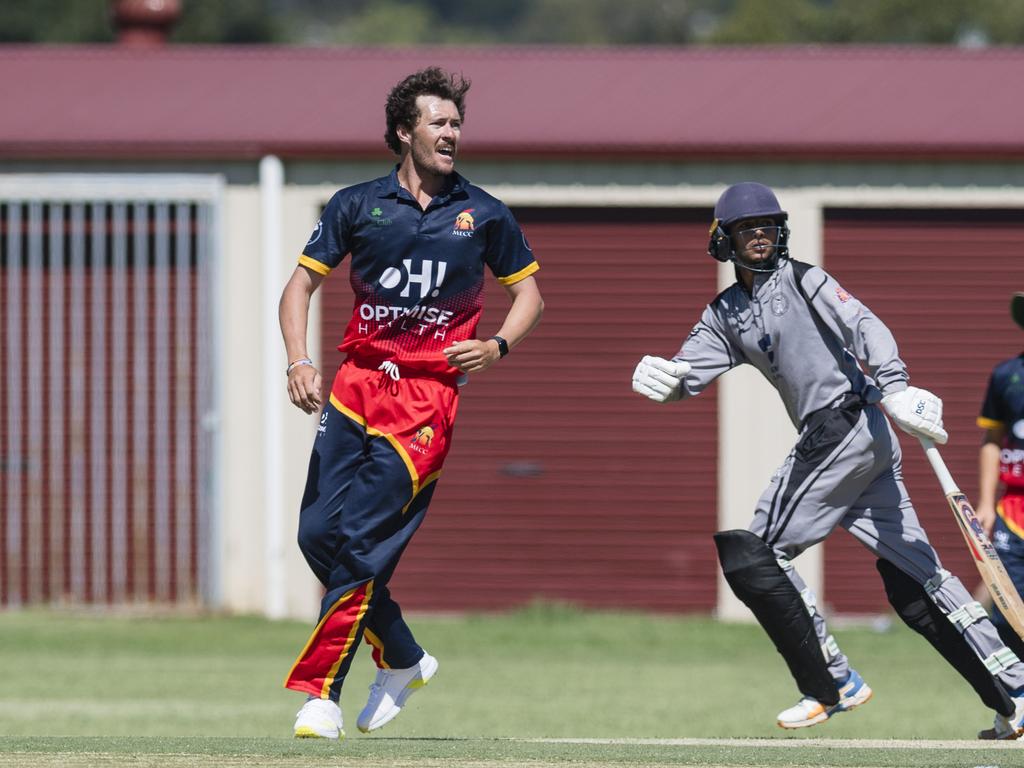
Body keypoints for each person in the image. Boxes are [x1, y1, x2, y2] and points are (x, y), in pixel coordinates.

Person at [630, 182, 1024, 739]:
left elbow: (866, 326)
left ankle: (832, 684)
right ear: (724, 240)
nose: (761, 235)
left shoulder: (804, 278)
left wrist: (894, 386)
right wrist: (669, 382)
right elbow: (689, 371)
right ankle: (1015, 692)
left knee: (756, 553)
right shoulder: (725, 313)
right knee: (916, 586)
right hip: (851, 441)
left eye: (768, 225)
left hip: (848, 423)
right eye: (748, 228)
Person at [278, 66, 543, 741]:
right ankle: (400, 657)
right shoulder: (355, 204)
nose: (452, 134)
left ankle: (321, 694)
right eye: (439, 123)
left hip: (424, 401)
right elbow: (299, 289)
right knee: (317, 536)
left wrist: (498, 348)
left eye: (457, 124)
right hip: (355, 387)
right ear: (405, 132)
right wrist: (300, 361)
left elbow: (530, 296)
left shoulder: (483, 214)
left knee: (361, 544)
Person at [976, 292, 1024, 662]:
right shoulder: (1006, 376)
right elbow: (992, 442)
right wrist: (985, 502)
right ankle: (1015, 707)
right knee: (1009, 614)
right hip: (1013, 515)